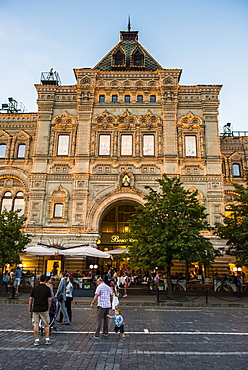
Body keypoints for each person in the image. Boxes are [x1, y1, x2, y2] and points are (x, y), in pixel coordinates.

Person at [29, 274, 52, 346]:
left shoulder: (35, 288)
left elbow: (31, 299)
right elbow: (49, 299)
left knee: (35, 324)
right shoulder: (47, 288)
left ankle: (36, 340)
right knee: (46, 324)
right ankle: (47, 339)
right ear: (45, 280)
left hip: (36, 308)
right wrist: (49, 307)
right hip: (44, 308)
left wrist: (30, 307)